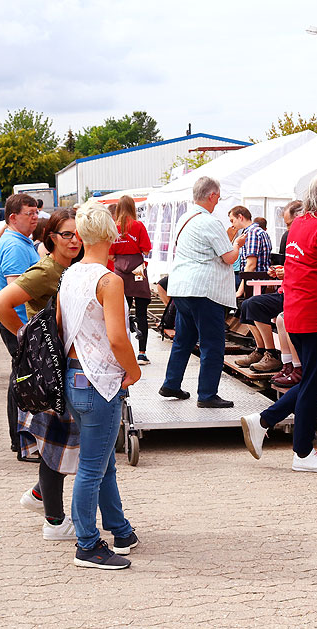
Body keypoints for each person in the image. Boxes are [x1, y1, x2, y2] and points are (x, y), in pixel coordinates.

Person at [240, 173, 317, 474]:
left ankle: (264, 421)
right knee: (315, 383)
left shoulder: (299, 224)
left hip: (298, 313)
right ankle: (303, 451)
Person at [58, 200, 140, 569]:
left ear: (79, 234)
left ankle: (120, 530)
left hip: (74, 376)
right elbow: (118, 338)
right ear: (112, 233)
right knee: (93, 467)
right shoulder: (109, 281)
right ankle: (87, 544)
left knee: (102, 462)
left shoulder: (70, 274)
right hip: (100, 379)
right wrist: (134, 370)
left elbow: (61, 323)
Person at [0, 209, 83, 542]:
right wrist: (27, 339)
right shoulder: (47, 271)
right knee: (56, 439)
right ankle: (54, 521)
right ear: (51, 238)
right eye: (66, 234)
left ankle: (39, 495)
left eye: (78, 234)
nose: (74, 240)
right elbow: (0, 304)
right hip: (50, 365)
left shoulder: (73, 268)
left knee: (66, 439)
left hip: (65, 362)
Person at [161, 176, 247, 408]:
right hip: (204, 290)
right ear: (211, 195)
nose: (218, 201)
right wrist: (237, 244)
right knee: (212, 344)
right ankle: (207, 394)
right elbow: (228, 257)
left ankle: (171, 383)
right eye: (218, 197)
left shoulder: (184, 218)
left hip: (182, 288)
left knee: (183, 339)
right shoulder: (210, 222)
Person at [0, 193, 40, 458]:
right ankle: (22, 440)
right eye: (29, 213)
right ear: (13, 217)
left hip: (19, 322)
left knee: (21, 378)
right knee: (25, 380)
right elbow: (17, 290)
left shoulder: (19, 241)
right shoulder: (15, 246)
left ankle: (21, 439)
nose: (35, 218)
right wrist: (25, 329)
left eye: (36, 213)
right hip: (19, 322)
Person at [235, 201, 302, 376]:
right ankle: (264, 350)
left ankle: (270, 353)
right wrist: (283, 271)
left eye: (288, 223)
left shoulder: (252, 234)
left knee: (251, 304)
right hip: (284, 288)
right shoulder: (289, 236)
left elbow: (251, 264)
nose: (287, 228)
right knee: (249, 305)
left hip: (293, 293)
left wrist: (240, 288)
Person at [109, 195, 153, 365]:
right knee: (141, 312)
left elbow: (110, 254)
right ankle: (142, 353)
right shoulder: (138, 225)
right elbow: (146, 250)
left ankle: (124, 353)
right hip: (138, 270)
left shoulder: (114, 227)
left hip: (120, 271)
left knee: (122, 313)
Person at [228, 205, 272, 296]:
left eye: (232, 220)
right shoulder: (259, 231)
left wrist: (240, 292)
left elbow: (251, 265)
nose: (232, 224)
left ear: (240, 217)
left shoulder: (252, 233)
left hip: (253, 281)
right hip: (258, 280)